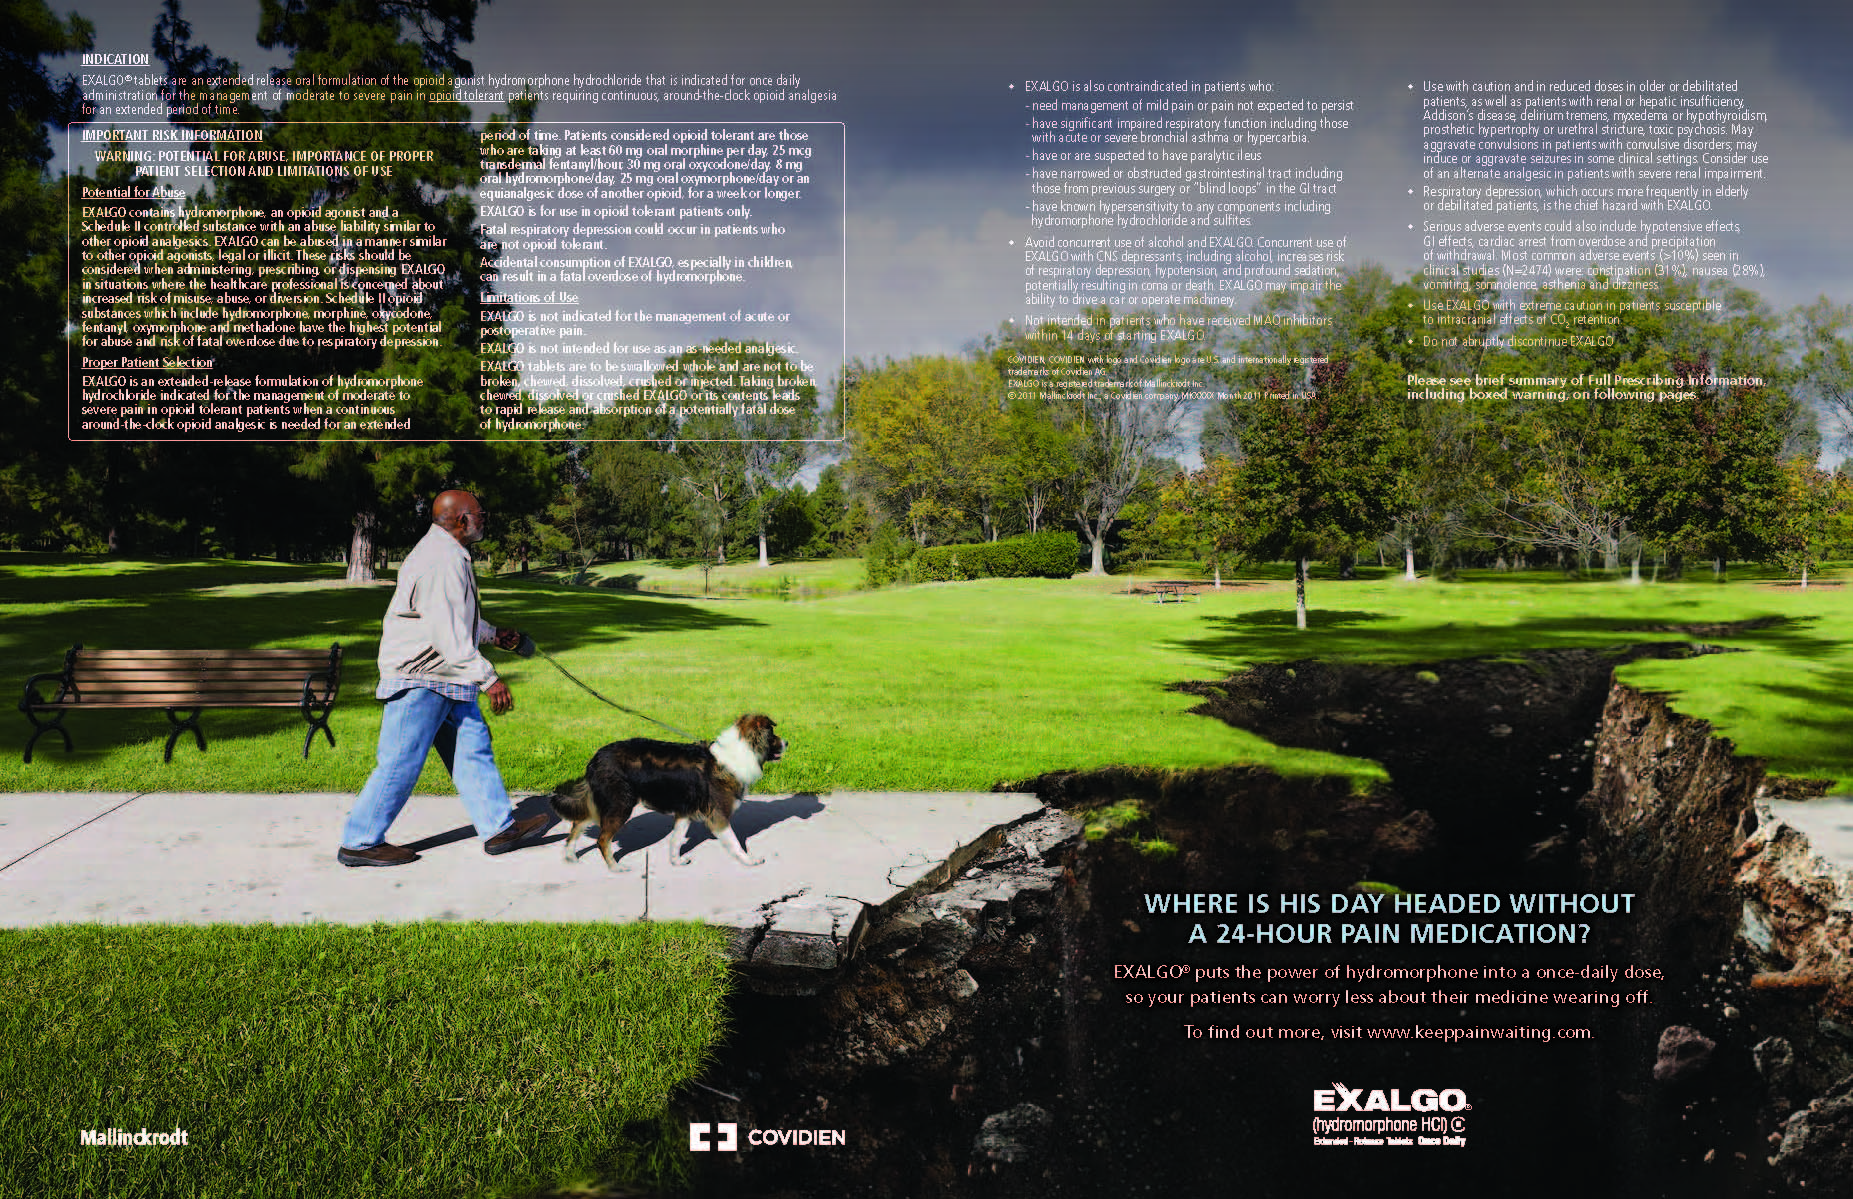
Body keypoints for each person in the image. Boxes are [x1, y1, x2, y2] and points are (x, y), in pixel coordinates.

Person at [337, 490, 549, 866]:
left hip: (446, 676)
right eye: (479, 514)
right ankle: (360, 841)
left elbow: (454, 619)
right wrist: (489, 678)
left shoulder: (448, 554)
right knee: (400, 761)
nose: (484, 519)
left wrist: (495, 634)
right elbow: (446, 633)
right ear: (461, 520)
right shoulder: (440, 560)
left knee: (473, 750)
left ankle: (498, 827)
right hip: (420, 678)